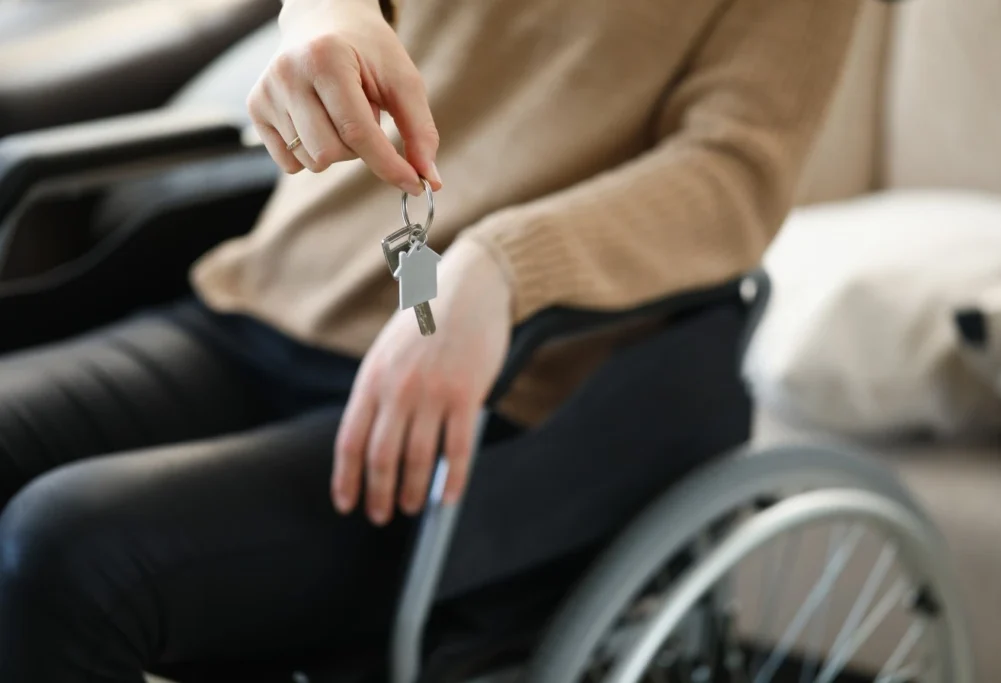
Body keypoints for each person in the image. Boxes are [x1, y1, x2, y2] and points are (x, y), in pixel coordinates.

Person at [0, 0, 863, 680]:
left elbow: (734, 174)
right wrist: (327, 15)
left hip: (505, 383)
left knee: (68, 550)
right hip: (278, 294)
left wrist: (501, 265)